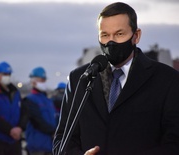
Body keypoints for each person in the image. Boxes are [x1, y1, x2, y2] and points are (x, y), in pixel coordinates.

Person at [53, 2, 179, 155]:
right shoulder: (79, 78)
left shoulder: (167, 80)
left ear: (136, 35)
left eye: (119, 34)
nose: (111, 42)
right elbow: (62, 141)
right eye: (105, 35)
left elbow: (174, 143)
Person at [23, 67, 56, 155]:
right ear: (33, 82)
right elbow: (37, 120)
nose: (43, 82)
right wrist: (54, 132)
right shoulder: (29, 100)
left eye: (44, 80)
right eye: (41, 80)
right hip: (37, 146)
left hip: (49, 145)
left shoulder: (47, 100)